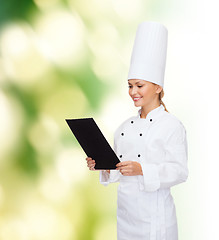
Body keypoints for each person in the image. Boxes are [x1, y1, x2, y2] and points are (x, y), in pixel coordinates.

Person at [86, 21, 188, 240]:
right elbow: (117, 170)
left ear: (158, 87)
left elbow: (179, 171)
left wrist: (142, 169)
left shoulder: (171, 126)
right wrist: (101, 166)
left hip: (155, 221)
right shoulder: (124, 128)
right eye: (130, 85)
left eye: (139, 85)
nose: (133, 91)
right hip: (126, 218)